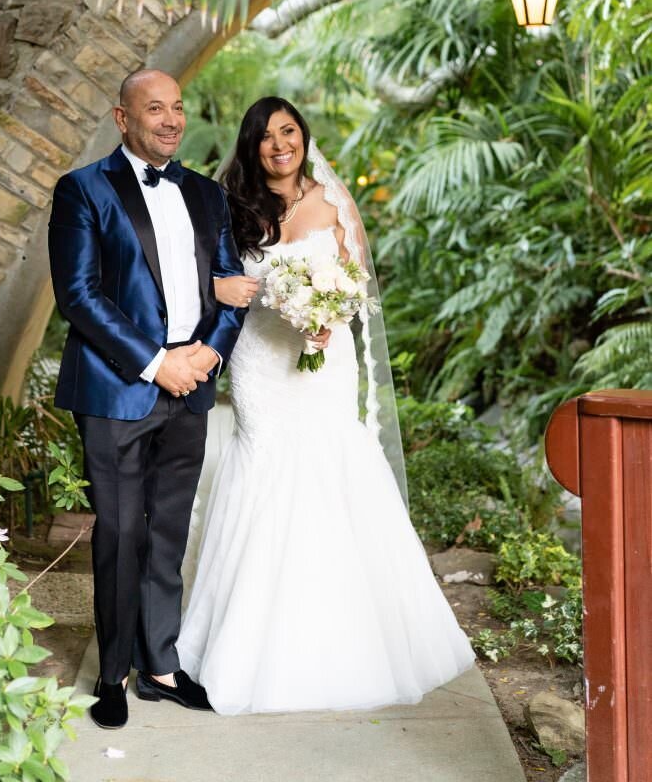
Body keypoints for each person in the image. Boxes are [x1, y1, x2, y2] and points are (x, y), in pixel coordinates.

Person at [176, 96, 475, 714]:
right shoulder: (233, 206)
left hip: (321, 363)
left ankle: (334, 643)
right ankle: (240, 642)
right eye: (265, 135)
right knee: (263, 469)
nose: (279, 144)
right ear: (252, 145)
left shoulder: (333, 201)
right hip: (260, 361)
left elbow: (356, 285)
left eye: (288, 131)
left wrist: (327, 320)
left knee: (327, 472)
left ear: (304, 138)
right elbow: (209, 279)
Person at [48, 69, 246, 729]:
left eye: (178, 108)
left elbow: (230, 285)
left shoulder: (209, 195)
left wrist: (208, 353)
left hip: (191, 388)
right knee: (121, 533)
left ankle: (160, 667)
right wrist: (157, 363)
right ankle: (112, 673)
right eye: (154, 108)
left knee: (167, 532)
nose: (170, 120)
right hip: (116, 390)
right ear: (121, 117)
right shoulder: (83, 190)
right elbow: (79, 294)